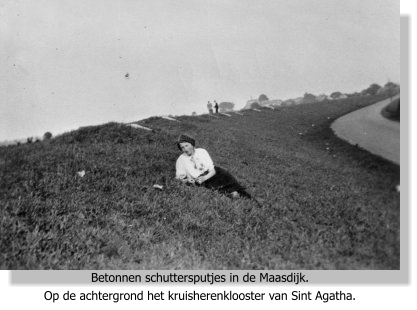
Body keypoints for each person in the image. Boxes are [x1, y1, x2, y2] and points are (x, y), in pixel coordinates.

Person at [175, 134, 253, 200]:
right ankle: (232, 194)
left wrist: (205, 177)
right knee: (216, 188)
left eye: (187, 145)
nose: (185, 149)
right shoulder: (181, 160)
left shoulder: (202, 151)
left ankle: (239, 193)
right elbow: (179, 178)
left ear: (192, 144)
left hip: (213, 174)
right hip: (200, 180)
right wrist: (188, 180)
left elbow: (212, 170)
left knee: (230, 182)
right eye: (182, 147)